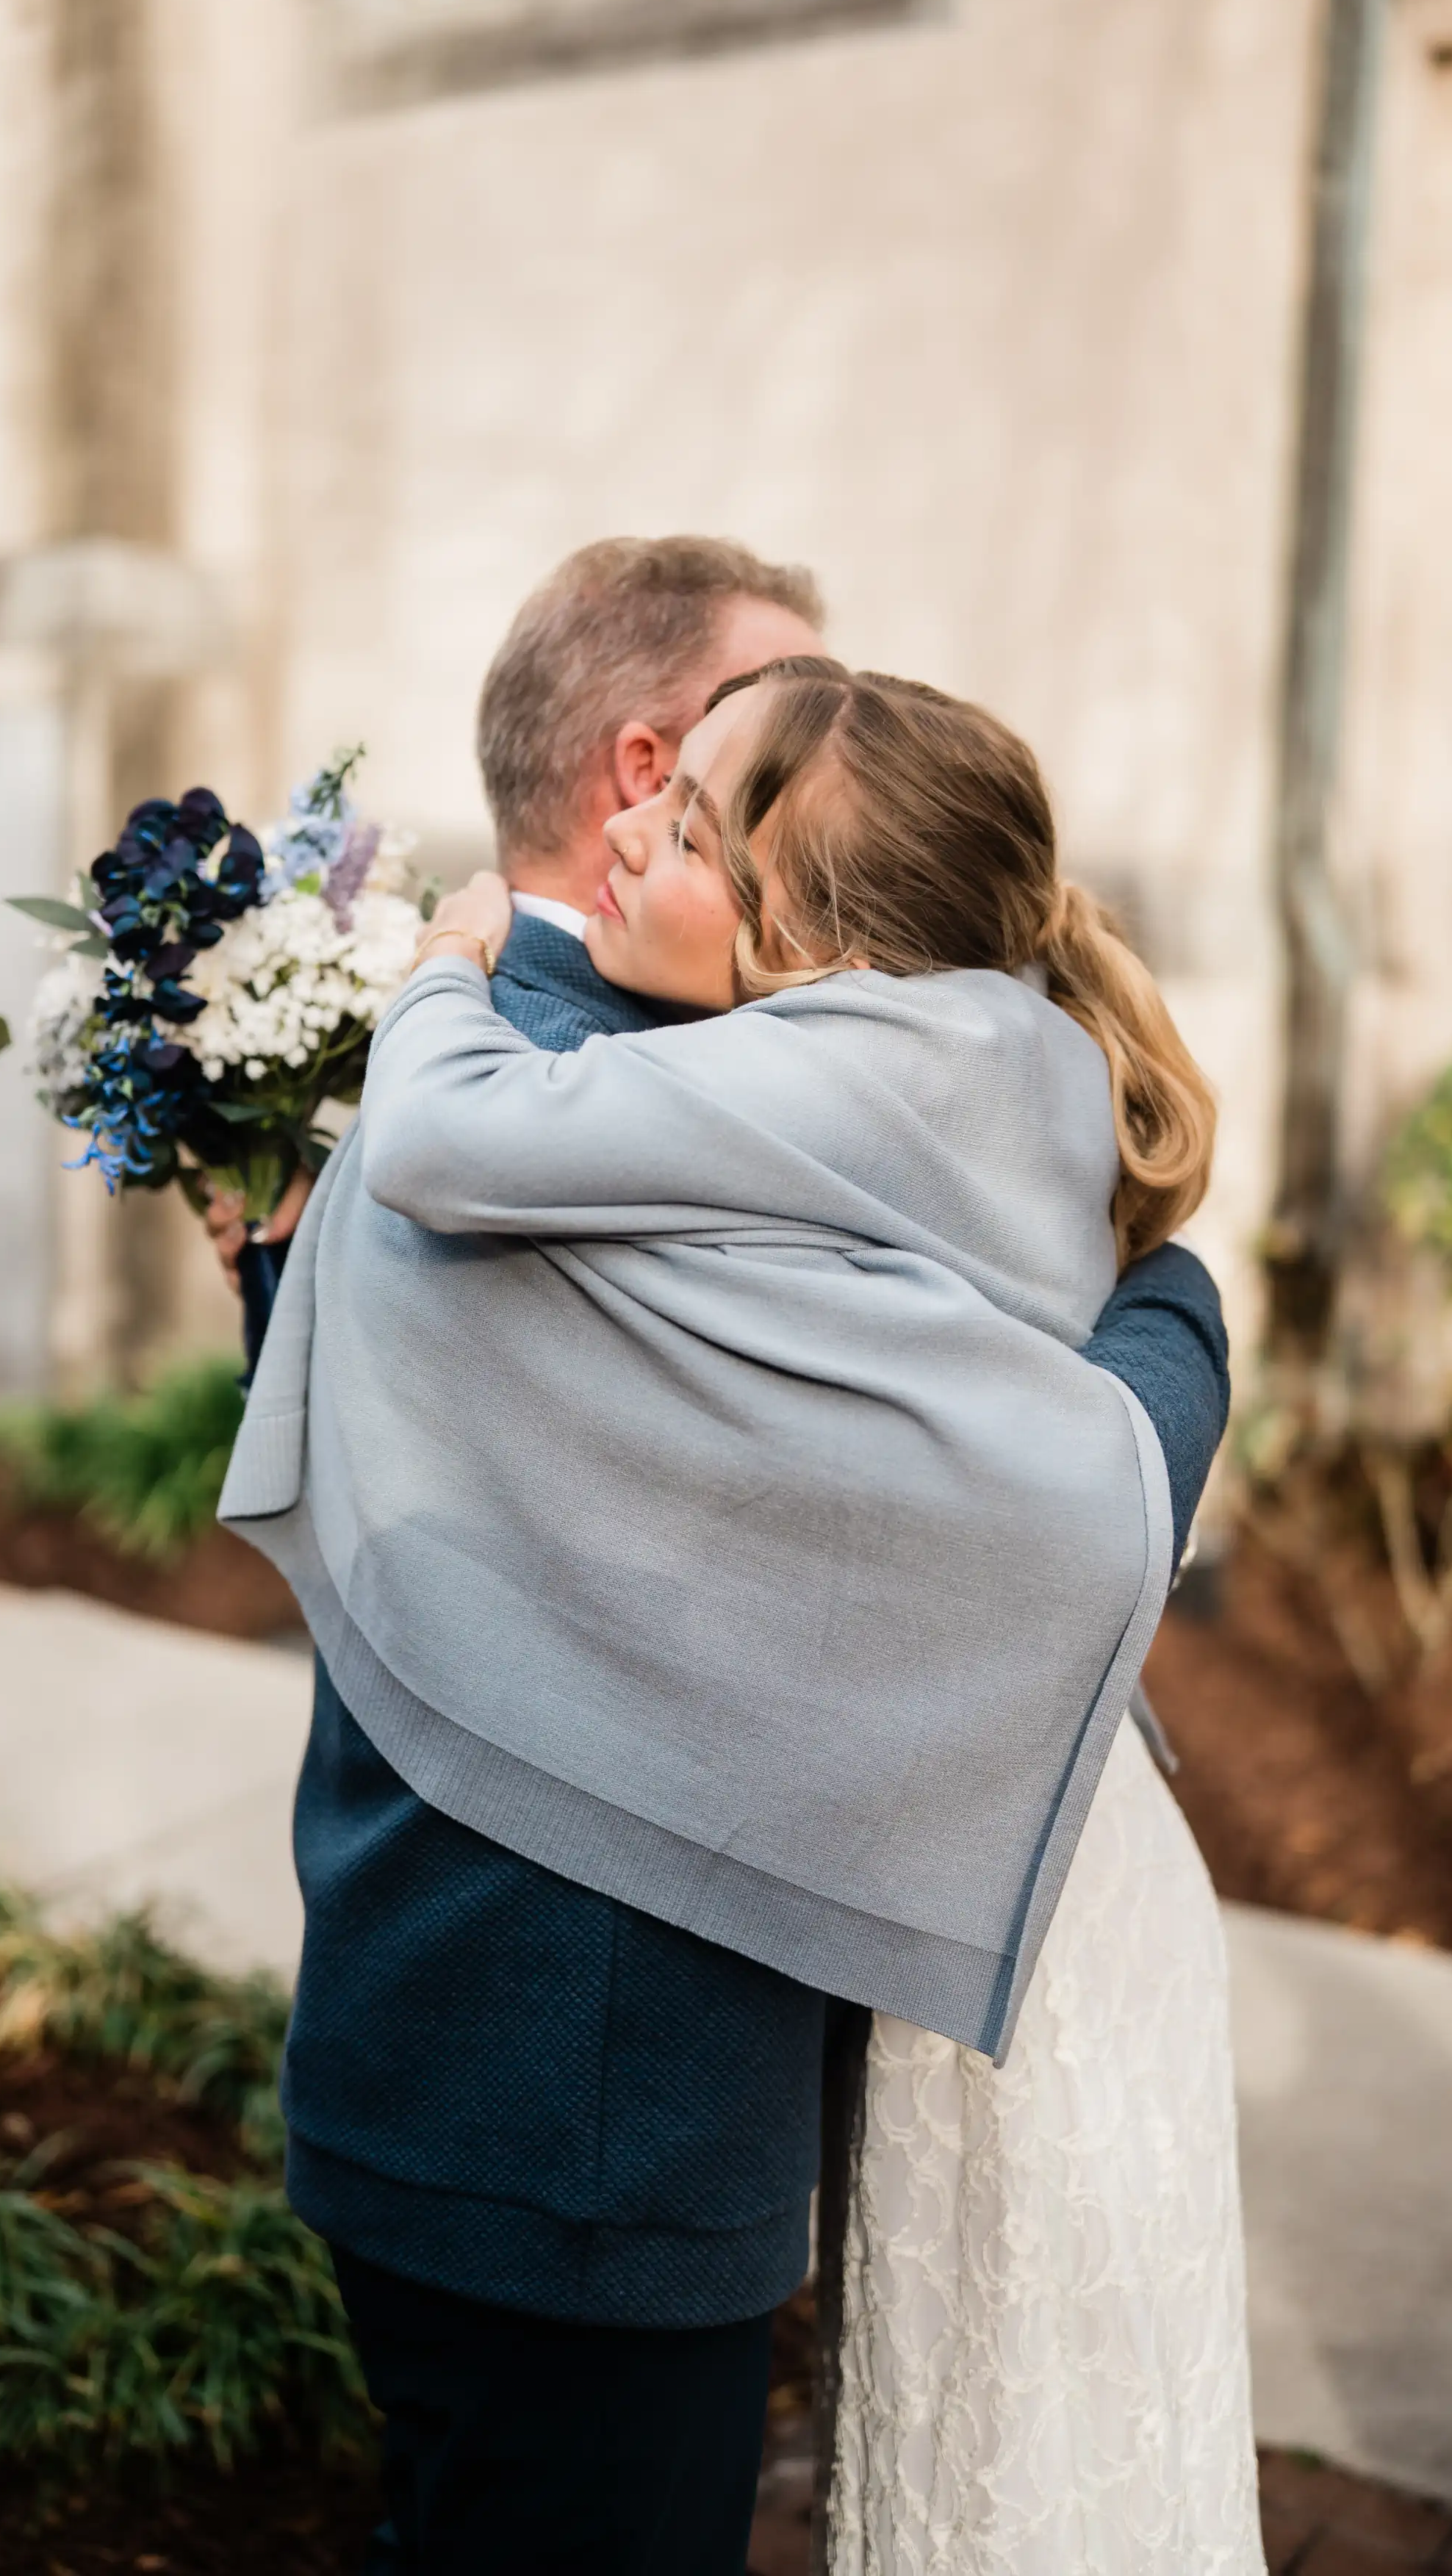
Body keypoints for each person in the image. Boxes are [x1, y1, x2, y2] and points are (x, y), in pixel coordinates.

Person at [221, 563, 1232, 2576]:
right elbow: (1035, 1505)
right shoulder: (609, 1094)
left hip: (500, 2085)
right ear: (654, 764)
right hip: (577, 2124)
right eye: (780, 709)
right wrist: (1175, 1318)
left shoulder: (698, 1089)